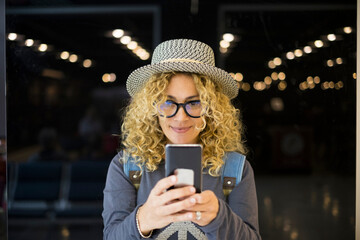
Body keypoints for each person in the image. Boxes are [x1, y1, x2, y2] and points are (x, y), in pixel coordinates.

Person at [102, 39, 261, 239]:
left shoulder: (236, 169)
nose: (180, 117)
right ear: (151, 107)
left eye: (194, 103)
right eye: (168, 103)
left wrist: (220, 217)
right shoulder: (126, 167)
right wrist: (144, 219)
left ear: (212, 108)